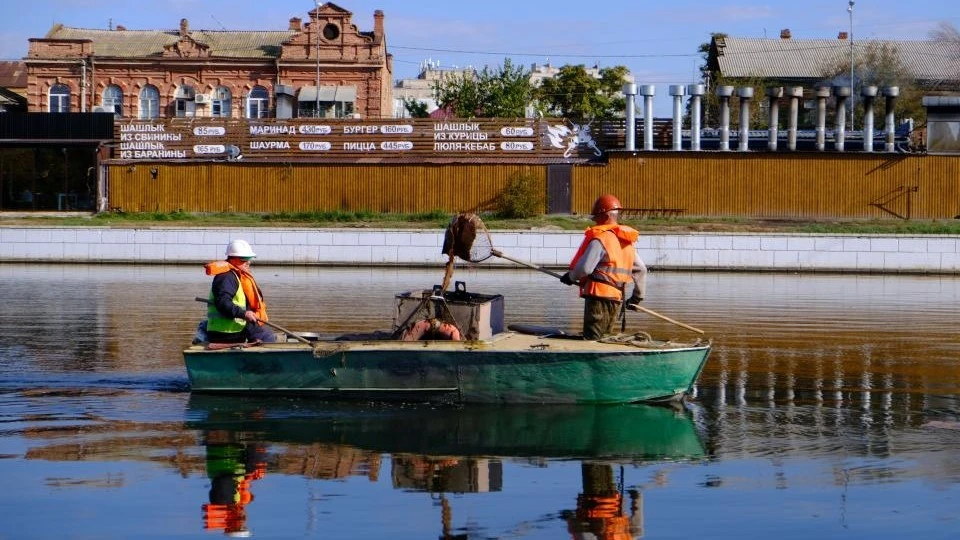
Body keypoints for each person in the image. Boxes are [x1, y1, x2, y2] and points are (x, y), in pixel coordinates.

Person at [560, 194, 647, 340]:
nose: (595, 222)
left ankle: (591, 353)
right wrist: (637, 298)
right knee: (605, 338)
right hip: (616, 298)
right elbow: (642, 270)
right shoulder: (626, 242)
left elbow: (585, 269)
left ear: (605, 216)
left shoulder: (601, 238)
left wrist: (571, 277)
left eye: (596, 218)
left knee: (593, 339)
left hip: (598, 297)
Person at [204, 239, 276, 344]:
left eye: (249, 259)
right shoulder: (226, 277)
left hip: (232, 329)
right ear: (233, 259)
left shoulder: (235, 276)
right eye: (244, 259)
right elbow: (223, 303)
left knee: (262, 330)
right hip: (227, 333)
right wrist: (244, 313)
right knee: (268, 336)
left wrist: (249, 312)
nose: (248, 262)